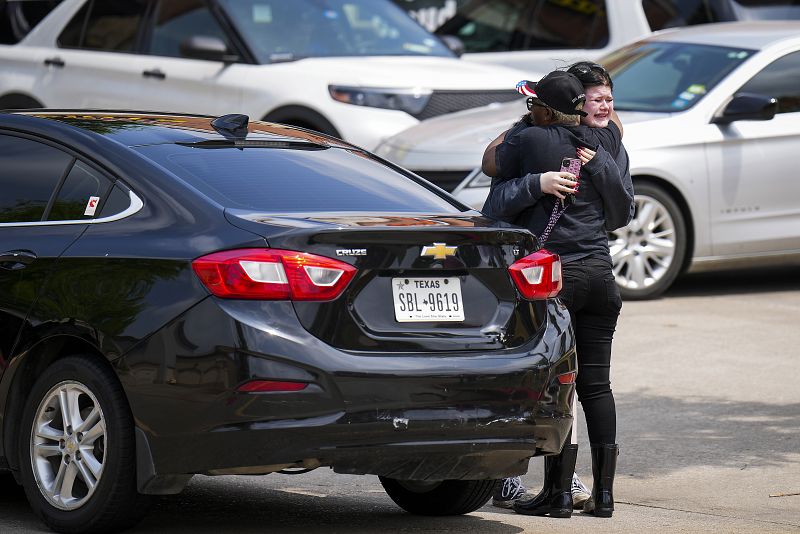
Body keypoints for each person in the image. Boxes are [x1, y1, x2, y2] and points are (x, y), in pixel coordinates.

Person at [483, 69, 633, 518]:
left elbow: (493, 203)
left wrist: (535, 182)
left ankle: (558, 494)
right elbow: (623, 210)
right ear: (583, 105)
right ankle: (604, 495)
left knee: (556, 385)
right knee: (596, 385)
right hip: (601, 278)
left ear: (545, 108)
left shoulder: (530, 140)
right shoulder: (606, 143)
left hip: (556, 280)